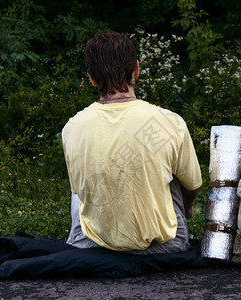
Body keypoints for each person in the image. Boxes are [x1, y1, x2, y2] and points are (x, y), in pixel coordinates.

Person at [62, 30, 202, 254]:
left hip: (92, 246)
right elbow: (193, 186)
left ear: (91, 78)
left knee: (80, 182)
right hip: (163, 248)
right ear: (136, 68)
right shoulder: (169, 122)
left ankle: (79, 238)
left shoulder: (72, 127)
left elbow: (80, 190)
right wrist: (188, 207)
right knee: (174, 172)